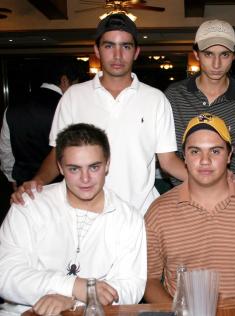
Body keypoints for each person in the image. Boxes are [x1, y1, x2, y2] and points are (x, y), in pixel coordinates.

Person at [10, 13, 186, 214]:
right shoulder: (73, 96)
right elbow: (58, 152)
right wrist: (36, 182)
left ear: (136, 52)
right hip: (84, 214)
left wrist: (214, 182)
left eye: (126, 46)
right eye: (109, 46)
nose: (117, 55)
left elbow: (168, 161)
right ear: (97, 50)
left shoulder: (156, 99)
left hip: (140, 214)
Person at [0, 123, 147, 315]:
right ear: (60, 167)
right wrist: (74, 286)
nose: (85, 179)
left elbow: (131, 287)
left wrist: (74, 301)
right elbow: (6, 274)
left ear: (108, 164)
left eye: (94, 167)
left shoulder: (129, 217)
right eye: (74, 169)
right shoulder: (30, 205)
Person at [144, 113, 235, 302]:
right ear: (184, 156)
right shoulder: (159, 211)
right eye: (195, 151)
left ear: (229, 155)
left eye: (215, 151)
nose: (205, 160)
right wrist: (177, 313)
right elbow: (148, 280)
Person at [165, 19, 235, 196]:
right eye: (208, 54)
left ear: (234, 55)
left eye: (224, 54)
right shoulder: (174, 96)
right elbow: (167, 158)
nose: (216, 64)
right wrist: (210, 184)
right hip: (184, 193)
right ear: (196, 54)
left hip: (233, 195)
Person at [0, 60, 79, 189]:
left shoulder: (13, 107)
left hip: (24, 184)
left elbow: (6, 150)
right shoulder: (67, 107)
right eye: (76, 84)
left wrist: (11, 177)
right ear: (64, 80)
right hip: (59, 184)